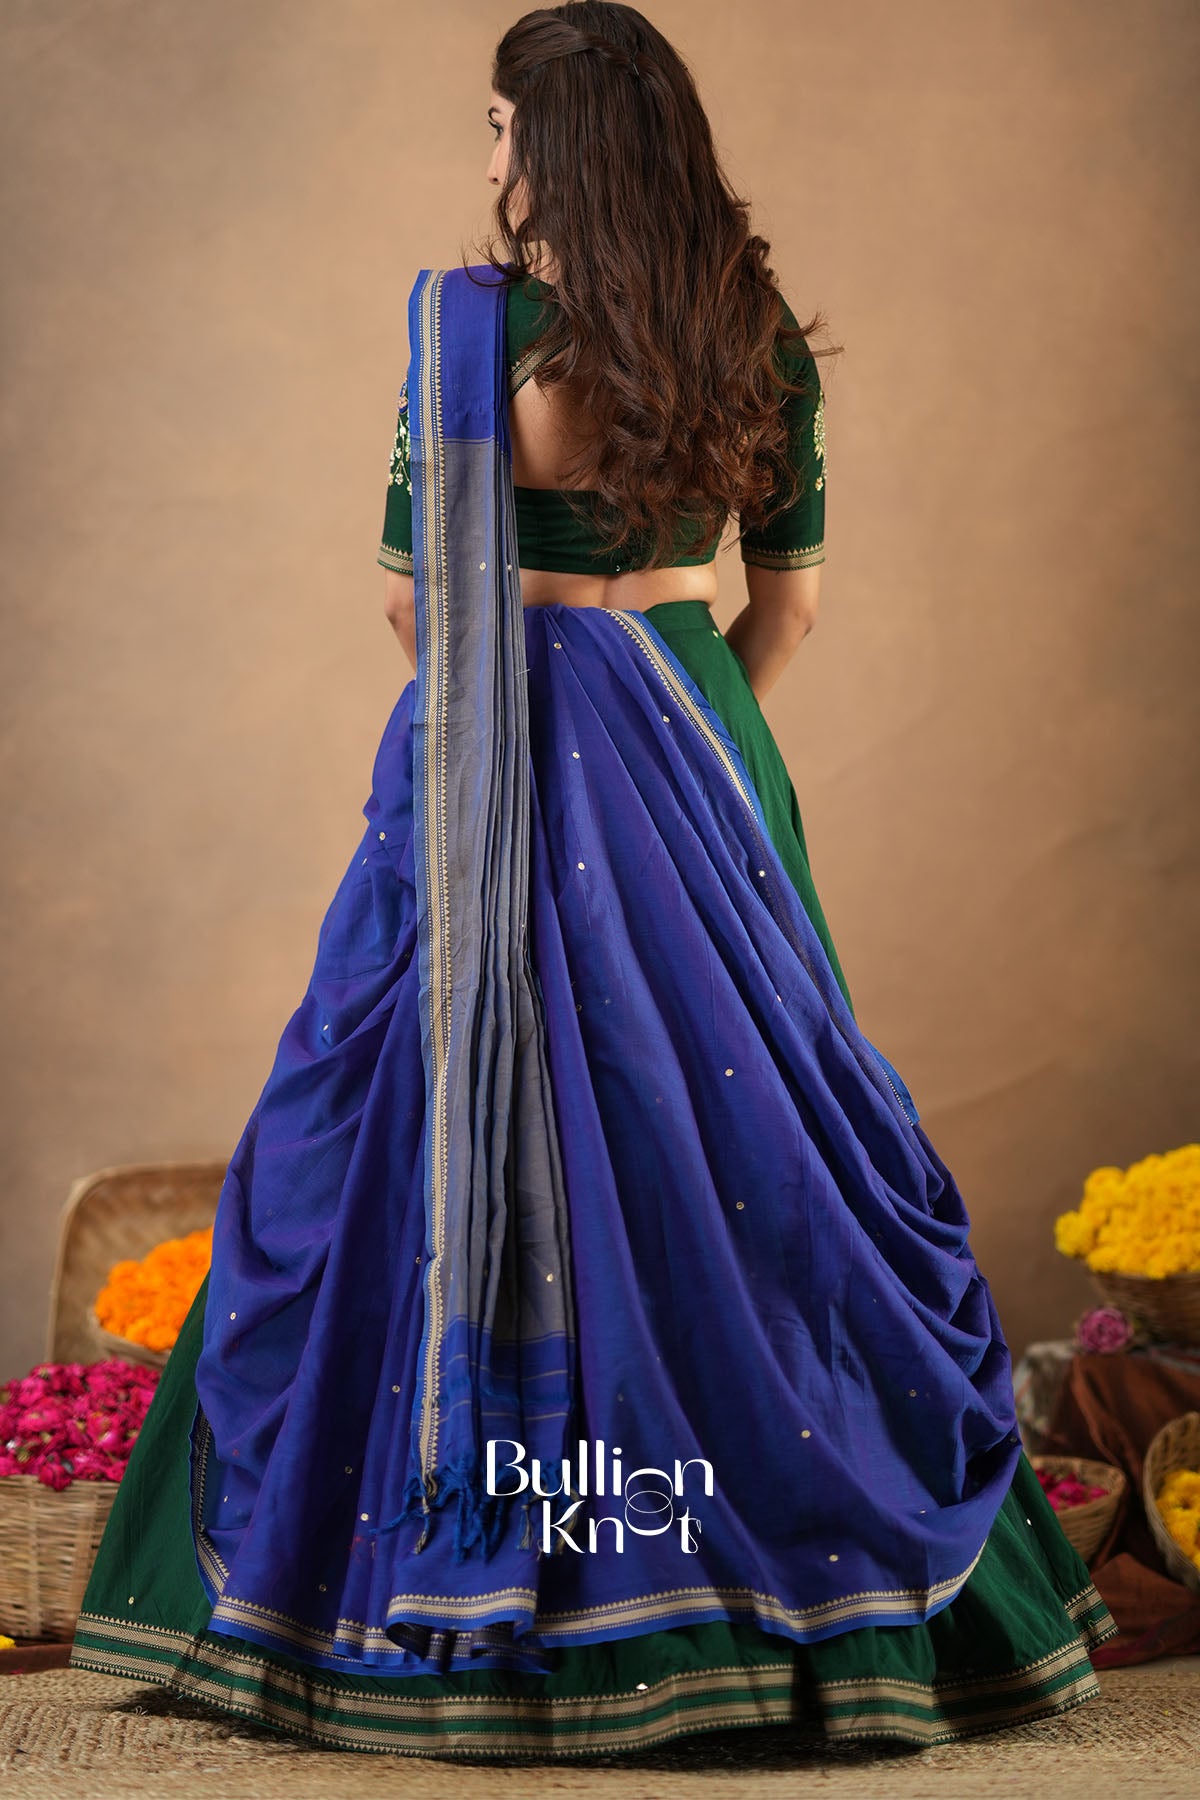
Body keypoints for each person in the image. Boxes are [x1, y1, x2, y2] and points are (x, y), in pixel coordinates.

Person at [69, 2, 1117, 1761]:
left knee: (439, 1124)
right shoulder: (754, 329)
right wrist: (678, 751)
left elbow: (416, 611)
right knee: (734, 1159)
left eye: (499, 129)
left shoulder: (468, 332)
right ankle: (781, 1596)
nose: (485, 165)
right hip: (698, 743)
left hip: (493, 746)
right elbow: (784, 607)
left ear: (550, 149)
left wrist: (547, 730)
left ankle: (440, 1593)